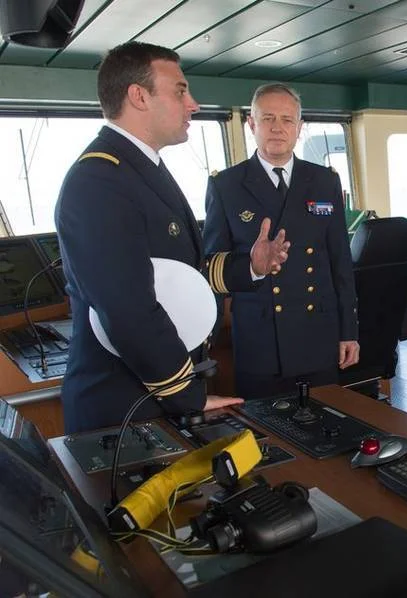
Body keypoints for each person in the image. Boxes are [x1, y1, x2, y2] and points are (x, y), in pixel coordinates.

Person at [56, 42, 289, 433]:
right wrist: (186, 394)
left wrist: (251, 265)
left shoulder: (140, 170)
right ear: (139, 96)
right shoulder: (99, 180)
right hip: (123, 409)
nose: (193, 103)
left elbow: (181, 271)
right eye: (181, 91)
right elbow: (128, 309)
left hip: (151, 397)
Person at [203, 83, 358, 399]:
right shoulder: (227, 186)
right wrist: (204, 339)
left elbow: (339, 263)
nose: (277, 128)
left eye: (287, 120)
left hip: (318, 335)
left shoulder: (325, 181)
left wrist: (348, 332)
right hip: (261, 342)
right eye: (268, 118)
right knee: (268, 440)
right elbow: (213, 270)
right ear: (251, 124)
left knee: (325, 430)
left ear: (299, 127)